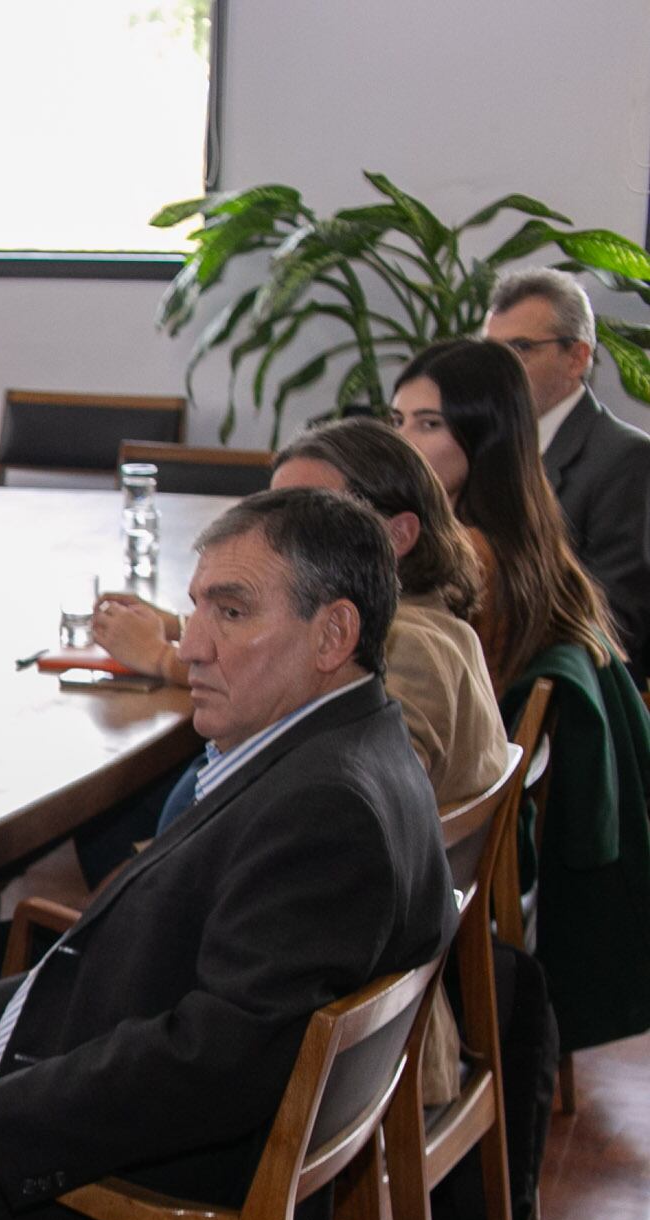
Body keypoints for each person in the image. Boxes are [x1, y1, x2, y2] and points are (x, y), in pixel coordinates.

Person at [0, 490, 455, 1220]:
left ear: (334, 635)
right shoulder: (336, 748)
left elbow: (214, 1063)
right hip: (150, 1165)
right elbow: (157, 958)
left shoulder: (324, 810)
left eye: (232, 611)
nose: (192, 642)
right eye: (197, 604)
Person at [393, 338, 650, 1053]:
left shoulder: (462, 556)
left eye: (428, 423)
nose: (403, 441)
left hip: (446, 843)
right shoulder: (527, 531)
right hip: (485, 835)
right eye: (398, 419)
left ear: (484, 435)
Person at [94, 420, 505, 803]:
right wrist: (187, 621)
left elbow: (360, 801)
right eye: (274, 510)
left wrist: (163, 659)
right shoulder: (437, 623)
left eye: (312, 516)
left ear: (397, 535)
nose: (275, 539)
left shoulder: (404, 646)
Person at [483, 266, 650, 663]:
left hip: (559, 690)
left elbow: (618, 618)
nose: (499, 369)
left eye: (520, 348)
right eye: (491, 352)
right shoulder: (480, 448)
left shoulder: (626, 457)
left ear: (577, 358)